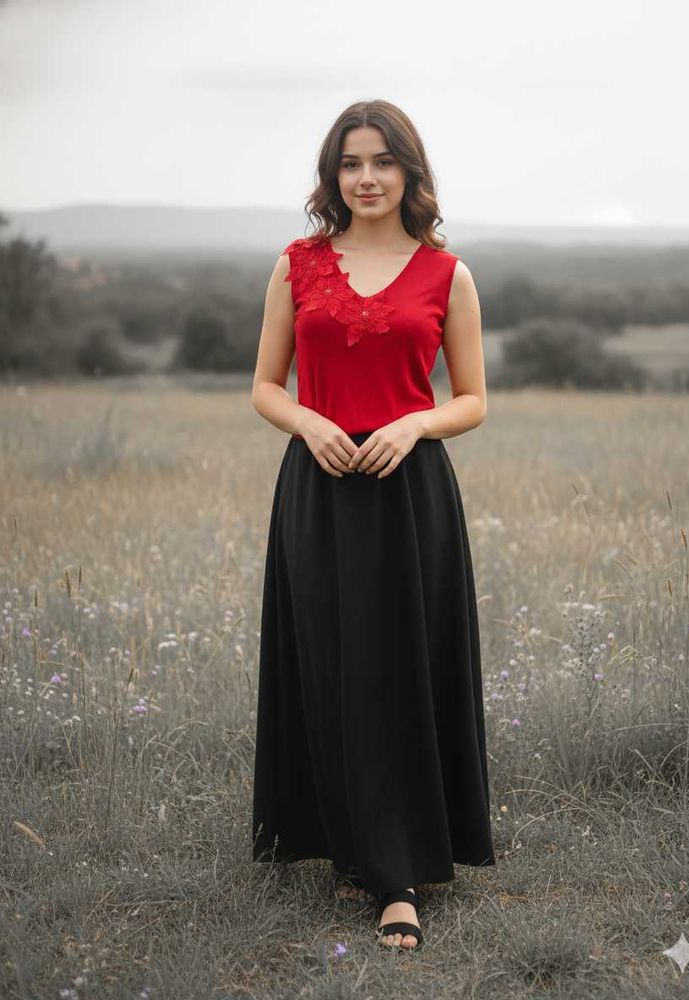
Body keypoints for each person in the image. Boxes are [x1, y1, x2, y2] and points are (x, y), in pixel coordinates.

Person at [250, 98, 496, 953]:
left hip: (409, 496)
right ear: (333, 174)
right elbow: (265, 386)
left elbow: (471, 399)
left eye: (383, 162)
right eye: (351, 163)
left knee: (399, 670)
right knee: (326, 663)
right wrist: (310, 423)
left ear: (409, 173)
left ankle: (397, 878)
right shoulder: (296, 265)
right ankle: (341, 841)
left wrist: (413, 423)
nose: (366, 178)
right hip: (316, 493)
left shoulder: (447, 274)